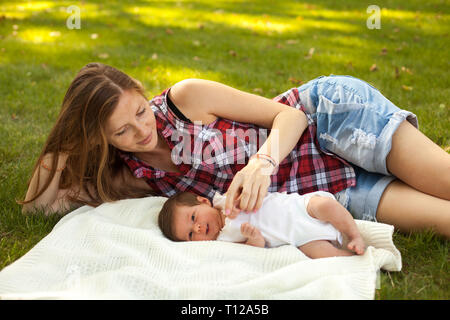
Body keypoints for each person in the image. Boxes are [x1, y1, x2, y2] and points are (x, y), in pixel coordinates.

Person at [21, 62, 450, 239]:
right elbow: (35, 208)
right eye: (122, 131)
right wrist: (68, 145)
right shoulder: (129, 176)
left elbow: (291, 118)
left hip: (332, 123)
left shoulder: (186, 98)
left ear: (141, 91)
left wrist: (261, 165)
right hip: (332, 192)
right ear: (103, 139)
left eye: (139, 110)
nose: (141, 130)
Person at [158, 191, 366, 259]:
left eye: (194, 218)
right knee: (322, 254)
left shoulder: (225, 201)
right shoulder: (223, 241)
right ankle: (353, 257)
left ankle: (353, 234)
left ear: (203, 201)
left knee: (326, 206)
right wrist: (254, 240)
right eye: (191, 235)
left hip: (301, 208)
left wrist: (239, 201)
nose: (198, 228)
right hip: (300, 238)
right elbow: (251, 253)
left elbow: (248, 193)